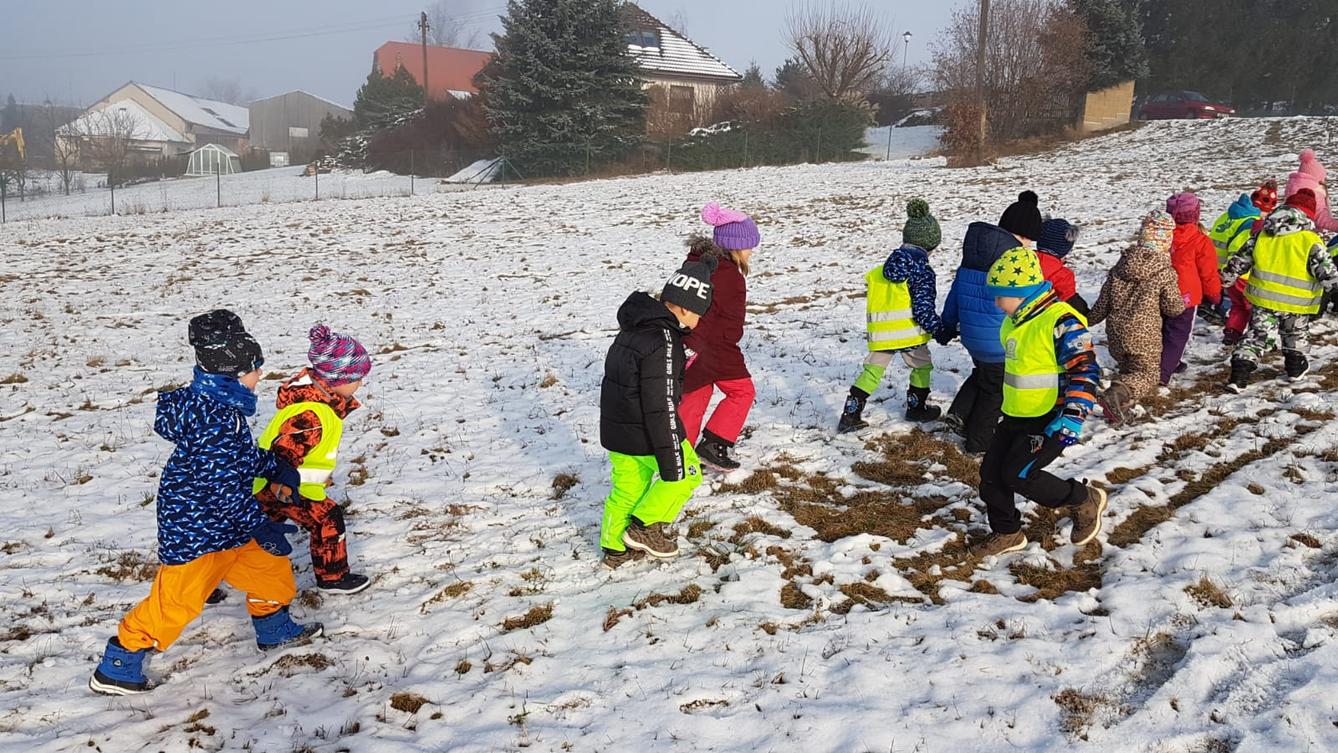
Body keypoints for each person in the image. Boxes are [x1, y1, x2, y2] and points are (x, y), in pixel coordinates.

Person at [90, 311, 320, 696]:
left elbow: (236, 458)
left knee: (269, 567)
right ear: (232, 374)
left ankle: (274, 628)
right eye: (255, 368)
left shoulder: (220, 408)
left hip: (227, 522)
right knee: (177, 601)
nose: (260, 375)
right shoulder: (213, 418)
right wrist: (259, 525)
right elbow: (221, 485)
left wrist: (275, 467)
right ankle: (120, 664)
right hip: (195, 528)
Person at [974, 248, 1106, 557]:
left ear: (1020, 294)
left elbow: (1085, 369)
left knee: (1019, 474)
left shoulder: (1060, 321)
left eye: (1000, 296)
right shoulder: (1016, 322)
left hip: (1051, 418)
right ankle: (1007, 533)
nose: (996, 303)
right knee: (991, 478)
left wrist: (1073, 416)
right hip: (1016, 415)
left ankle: (1082, 498)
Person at [598, 257, 716, 569]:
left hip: (617, 431)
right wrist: (671, 453)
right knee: (685, 475)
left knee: (627, 489)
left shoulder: (633, 329)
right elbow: (660, 403)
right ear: (686, 309)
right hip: (647, 433)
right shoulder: (665, 341)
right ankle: (645, 527)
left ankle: (614, 548)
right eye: (699, 316)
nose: (698, 324)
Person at [252, 325, 372, 594]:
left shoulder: (318, 405)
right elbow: (285, 451)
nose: (360, 384)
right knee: (327, 520)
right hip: (282, 486)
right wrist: (281, 487)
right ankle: (333, 577)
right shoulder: (312, 414)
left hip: (268, 487)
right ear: (336, 379)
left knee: (249, 531)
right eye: (357, 378)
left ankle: (211, 572)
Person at [938, 190, 1045, 453]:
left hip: (972, 337)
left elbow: (955, 293)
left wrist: (947, 324)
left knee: (984, 374)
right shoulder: (1016, 262)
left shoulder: (973, 253)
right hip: (998, 339)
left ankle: (960, 415)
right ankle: (979, 442)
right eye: (1030, 240)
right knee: (994, 390)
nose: (1031, 246)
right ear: (1022, 236)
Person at [838, 198, 945, 433]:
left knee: (872, 372)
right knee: (922, 367)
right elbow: (923, 308)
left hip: (882, 335)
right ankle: (917, 407)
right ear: (931, 246)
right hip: (910, 334)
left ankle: (850, 414)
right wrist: (939, 329)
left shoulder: (880, 271)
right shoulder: (922, 271)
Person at [1223, 189, 1338, 391]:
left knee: (1257, 336)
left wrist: (1226, 278)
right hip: (1298, 303)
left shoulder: (1262, 235)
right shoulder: (1310, 241)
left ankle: (1239, 376)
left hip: (1264, 300)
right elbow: (1327, 272)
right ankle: (1295, 369)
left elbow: (1240, 260)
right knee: (1294, 335)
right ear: (1308, 215)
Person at [679, 204, 760, 471]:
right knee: (742, 391)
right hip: (714, 346)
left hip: (686, 342)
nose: (750, 253)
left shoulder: (695, 263)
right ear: (734, 246)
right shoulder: (729, 277)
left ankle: (681, 453)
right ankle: (714, 444)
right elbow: (730, 323)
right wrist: (729, 343)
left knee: (695, 394)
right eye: (748, 247)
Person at [1089, 211, 1185, 423]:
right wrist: (1181, 306)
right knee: (1148, 375)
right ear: (1167, 240)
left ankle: (1121, 407)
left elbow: (1103, 302)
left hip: (1116, 332)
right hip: (1144, 335)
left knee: (1129, 370)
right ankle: (1115, 395)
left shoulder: (1120, 266)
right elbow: (1172, 307)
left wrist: (1087, 319)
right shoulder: (1164, 271)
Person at [1163, 192, 1221, 384]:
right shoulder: (1201, 240)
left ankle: (1171, 361)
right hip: (1185, 297)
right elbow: (1208, 273)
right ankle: (1162, 374)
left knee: (1161, 329)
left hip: (1159, 291)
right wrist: (1213, 295)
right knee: (1178, 335)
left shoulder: (1160, 237)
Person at [1208, 183, 1276, 344]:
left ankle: (1232, 333)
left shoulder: (1228, 216)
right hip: (1241, 274)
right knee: (1253, 308)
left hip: (1220, 269)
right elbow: (1239, 248)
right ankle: (1258, 339)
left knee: (1238, 306)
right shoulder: (1250, 224)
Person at [1036, 218, 1090, 317]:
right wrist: (1088, 315)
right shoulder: (1061, 274)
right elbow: (1072, 301)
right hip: (1043, 323)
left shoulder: (1024, 259)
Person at [1285, 149, 1338, 233]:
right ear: (1318, 178)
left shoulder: (1293, 187)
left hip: (1289, 231)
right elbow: (1322, 219)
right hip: (1308, 236)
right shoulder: (1314, 192)